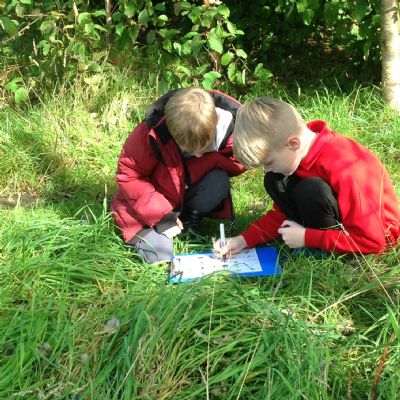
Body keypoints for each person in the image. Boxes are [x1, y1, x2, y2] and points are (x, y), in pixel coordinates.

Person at [214, 96, 400, 258]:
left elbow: (372, 241)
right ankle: (311, 240)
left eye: (269, 162)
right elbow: (282, 214)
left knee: (309, 189)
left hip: (372, 235)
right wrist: (244, 240)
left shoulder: (347, 168)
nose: (266, 169)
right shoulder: (300, 155)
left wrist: (307, 237)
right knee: (275, 181)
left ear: (293, 144)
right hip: (336, 221)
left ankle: (321, 253)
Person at [111, 87, 245, 263]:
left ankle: (188, 222)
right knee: (159, 256)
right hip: (148, 207)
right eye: (190, 149)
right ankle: (167, 227)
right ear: (171, 131)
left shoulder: (231, 128)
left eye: (204, 147)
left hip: (184, 196)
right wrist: (164, 218)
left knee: (218, 181)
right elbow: (130, 176)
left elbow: (238, 163)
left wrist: (209, 161)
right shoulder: (149, 134)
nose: (198, 154)